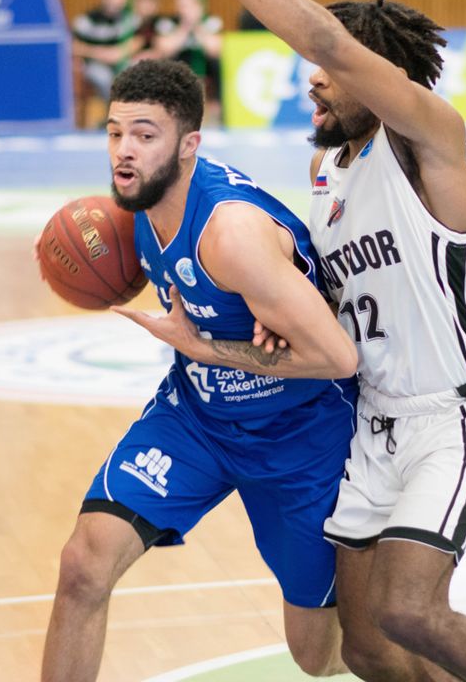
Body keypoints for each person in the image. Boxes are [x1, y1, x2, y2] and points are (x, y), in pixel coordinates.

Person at [144, 0, 466, 681]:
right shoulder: (328, 178)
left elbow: (328, 42)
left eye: (328, 71)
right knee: (367, 648)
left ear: (380, 76)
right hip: (375, 425)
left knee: (411, 611)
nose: (312, 81)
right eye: (313, 72)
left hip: (457, 419)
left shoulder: (428, 142)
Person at [40, 58, 359, 682]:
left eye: (144, 135)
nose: (124, 151)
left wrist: (207, 349)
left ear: (189, 145)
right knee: (83, 566)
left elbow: (338, 358)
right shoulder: (133, 207)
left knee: (318, 656)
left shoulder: (230, 233)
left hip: (300, 435)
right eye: (115, 132)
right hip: (197, 420)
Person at [70, 0, 140, 101]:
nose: (115, 2)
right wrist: (99, 53)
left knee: (135, 73)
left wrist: (118, 54)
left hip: (123, 62)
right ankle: (112, 109)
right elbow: (73, 46)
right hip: (95, 64)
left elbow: (137, 42)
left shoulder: (131, 19)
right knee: (102, 77)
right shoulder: (86, 20)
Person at [153, 0, 223, 101]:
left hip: (205, 67)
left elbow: (215, 50)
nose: (186, 10)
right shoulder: (167, 22)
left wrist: (197, 26)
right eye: (182, 6)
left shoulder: (211, 21)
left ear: (199, 5)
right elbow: (165, 50)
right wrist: (185, 26)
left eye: (190, 5)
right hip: (177, 68)